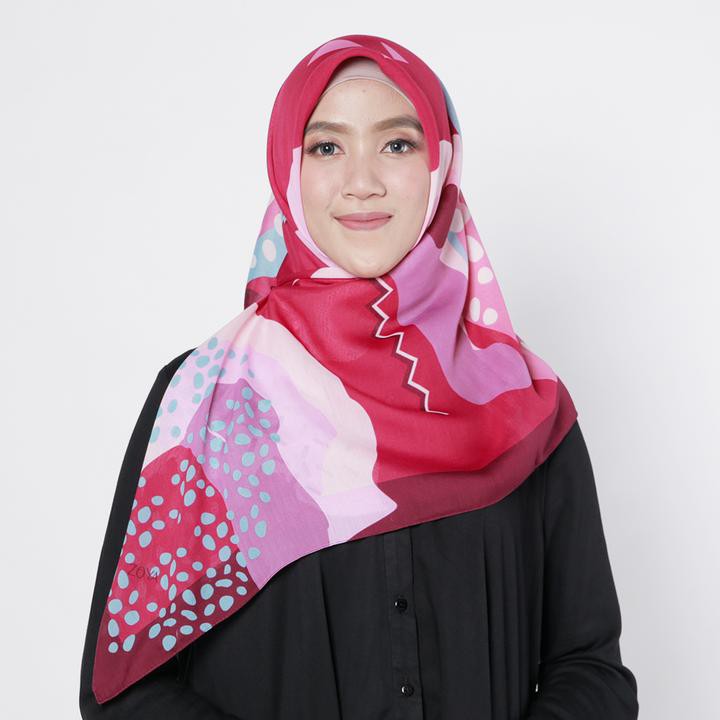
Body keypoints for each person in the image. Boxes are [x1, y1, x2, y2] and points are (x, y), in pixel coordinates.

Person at [79, 34, 639, 719]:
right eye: (326, 147)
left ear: (440, 164)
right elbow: (123, 688)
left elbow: (591, 670)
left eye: (397, 144)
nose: (362, 181)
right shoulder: (203, 402)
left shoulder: (527, 406)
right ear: (288, 169)